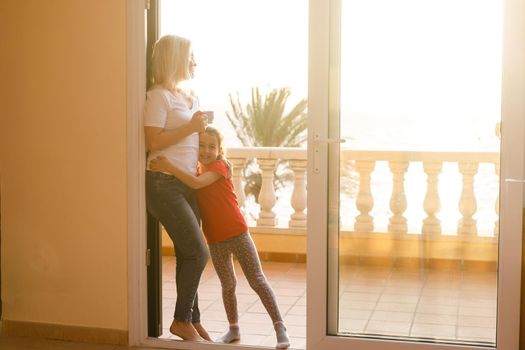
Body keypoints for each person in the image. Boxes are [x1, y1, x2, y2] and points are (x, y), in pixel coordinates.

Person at [149, 126, 291, 349]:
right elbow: (191, 183)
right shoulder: (196, 170)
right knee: (227, 285)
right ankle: (233, 328)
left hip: (237, 233)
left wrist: (168, 166)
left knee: (257, 280)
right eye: (202, 145)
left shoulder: (220, 166)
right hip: (215, 239)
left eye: (211, 146)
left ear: (219, 149)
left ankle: (279, 327)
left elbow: (196, 184)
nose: (206, 150)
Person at [144, 34, 211, 342]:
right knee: (198, 252)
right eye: (190, 57)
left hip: (185, 182)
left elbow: (191, 139)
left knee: (188, 254)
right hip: (164, 184)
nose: (195, 62)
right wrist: (191, 127)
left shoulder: (188, 95)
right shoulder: (158, 96)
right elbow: (153, 141)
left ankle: (192, 321)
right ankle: (181, 321)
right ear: (174, 60)